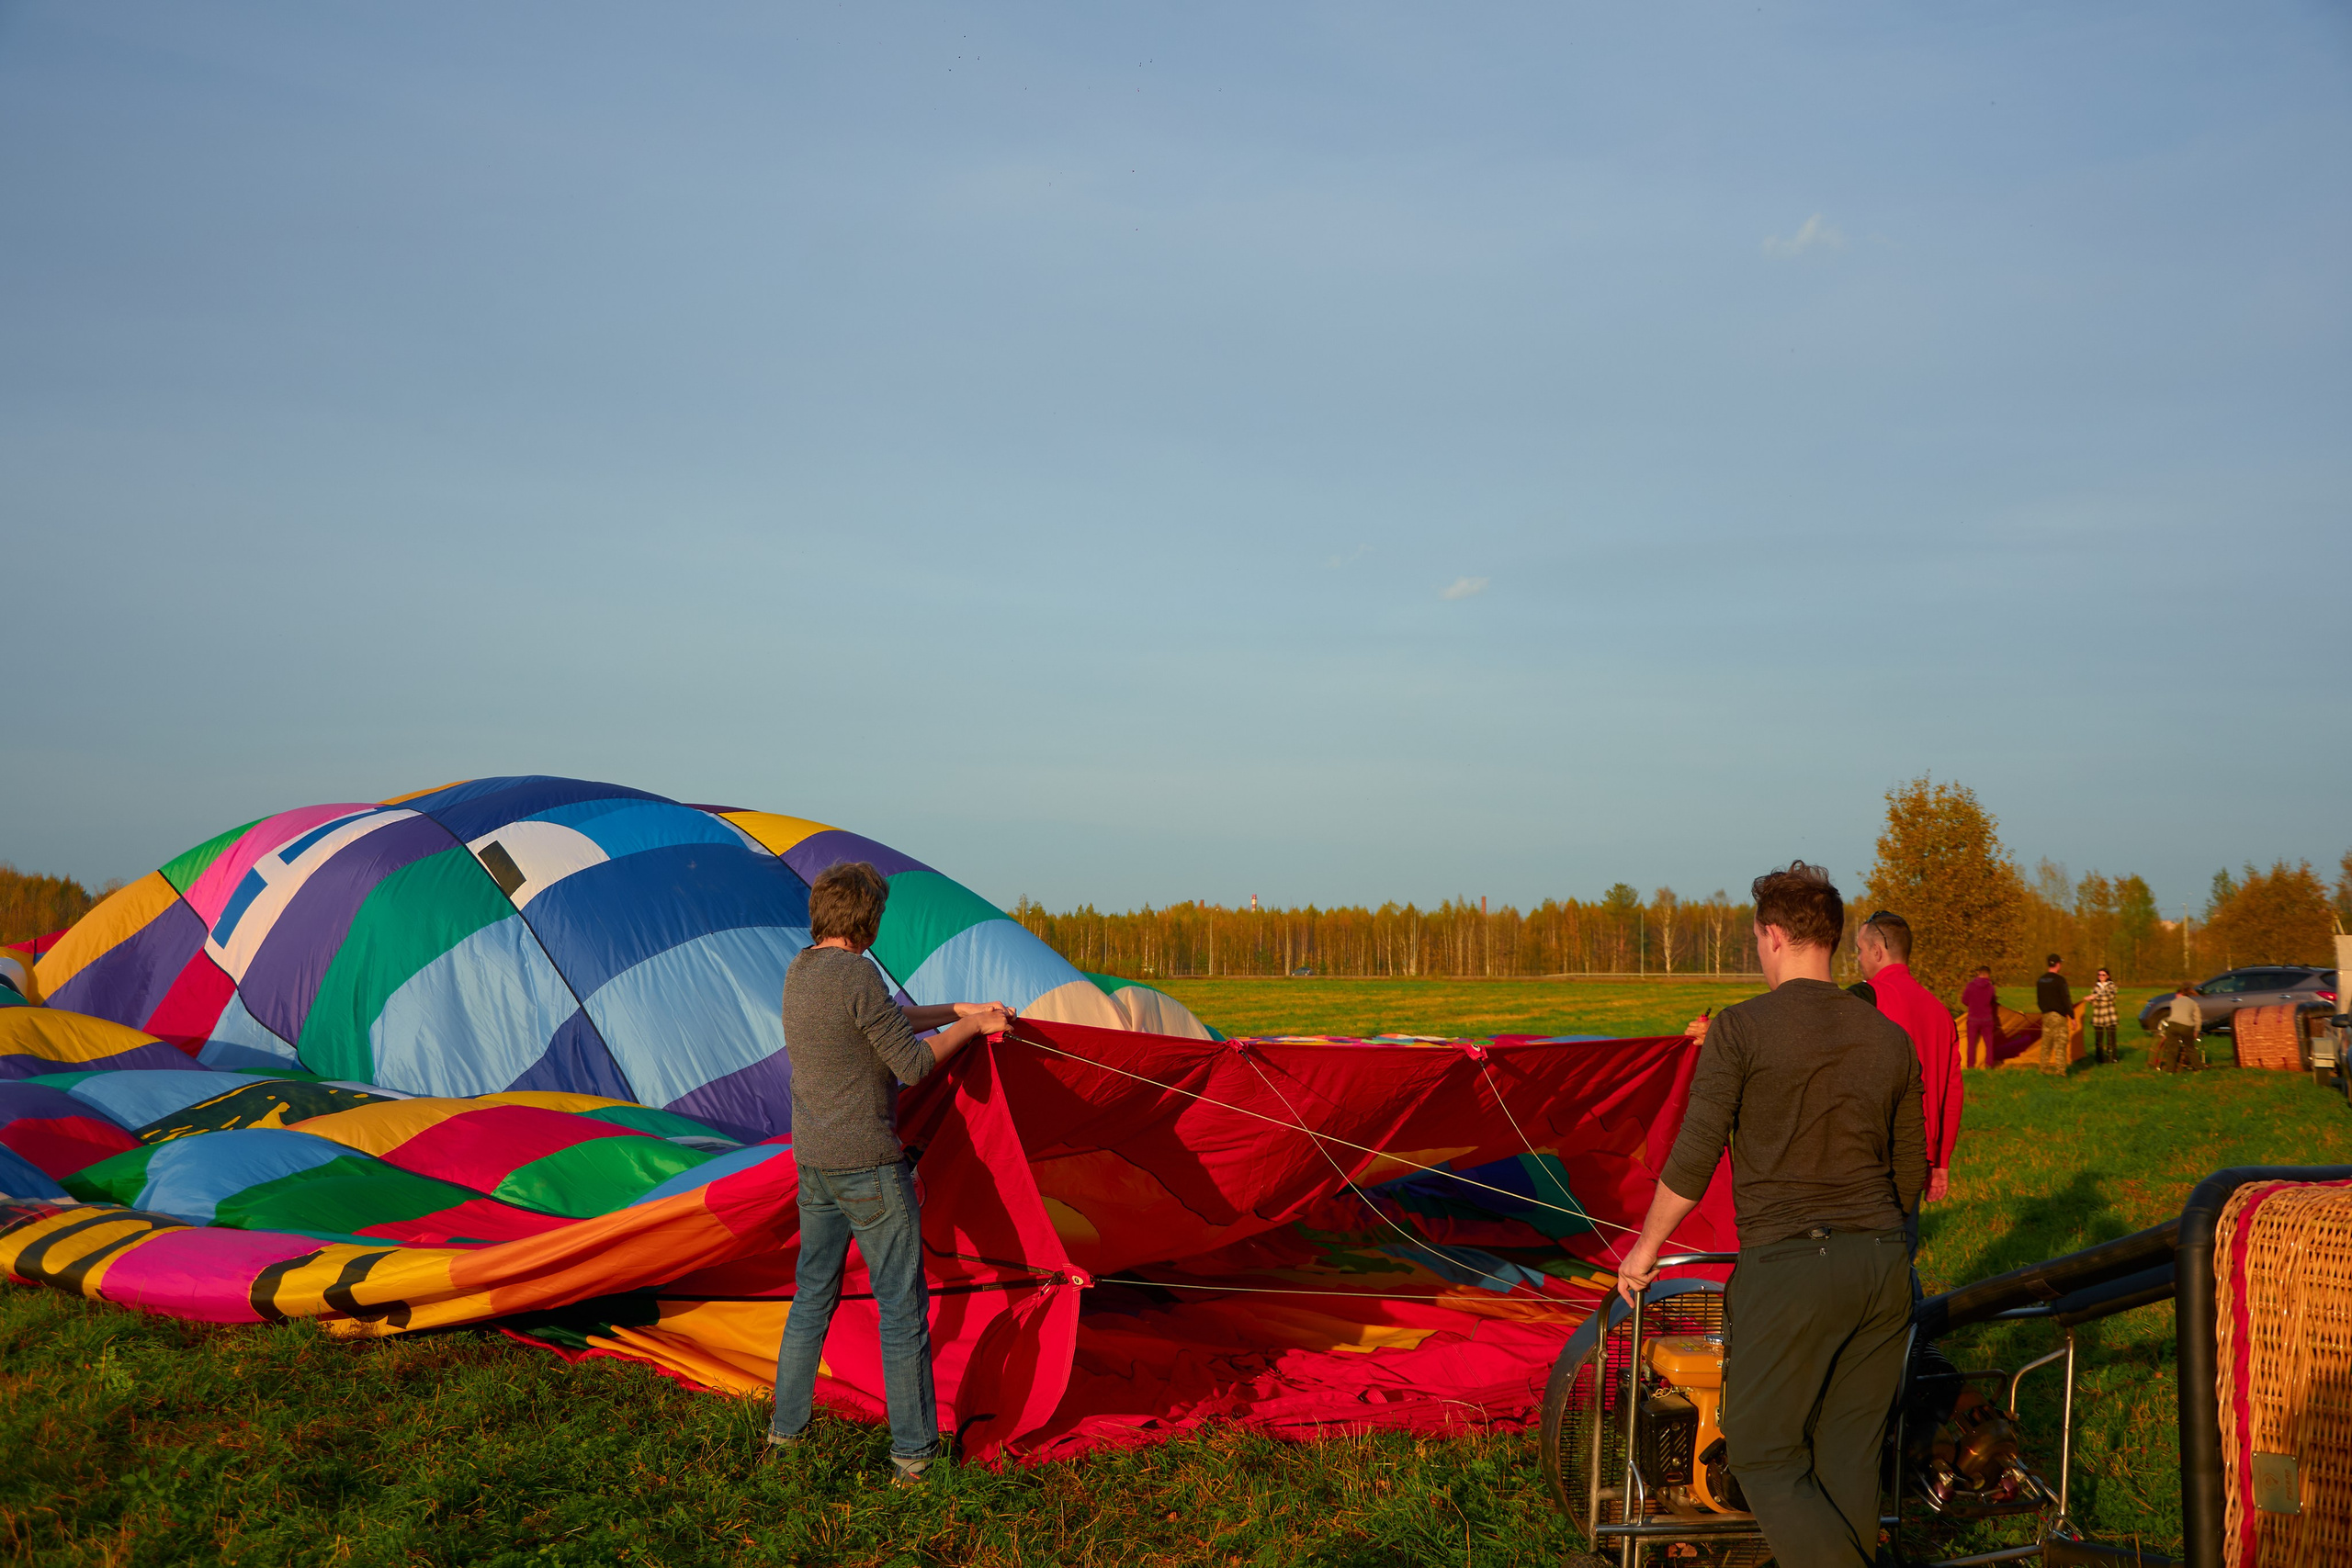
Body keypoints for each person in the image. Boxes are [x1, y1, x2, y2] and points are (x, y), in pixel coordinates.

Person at [1619, 863, 1925, 1568]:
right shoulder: (1889, 1038)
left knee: (1758, 1447)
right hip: (1881, 1263)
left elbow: (1693, 1157)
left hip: (1790, 1263)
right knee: (1848, 1454)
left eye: (1757, 938)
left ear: (1775, 935)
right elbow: (1910, 1172)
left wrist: (1644, 1250)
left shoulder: (1740, 1028)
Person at [769, 862, 1015, 1483]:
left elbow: (880, 1019)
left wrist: (956, 1008)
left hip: (815, 1164)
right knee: (901, 1310)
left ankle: (784, 1437)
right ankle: (913, 1458)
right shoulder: (858, 975)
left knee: (810, 1298)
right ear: (868, 919)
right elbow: (910, 1064)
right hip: (870, 1168)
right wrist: (975, 1025)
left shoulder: (801, 971)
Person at [1855, 911, 1961, 1215]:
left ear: (1877, 951)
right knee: (1903, 1249)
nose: (1860, 959)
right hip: (1918, 1156)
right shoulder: (1941, 1013)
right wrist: (1941, 1162)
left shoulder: (1865, 1000)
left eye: (1861, 950)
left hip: (1871, 1152)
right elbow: (1951, 1095)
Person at [2035, 953, 2073, 1077]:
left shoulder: (2041, 980)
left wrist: (2044, 1010)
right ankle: (2060, 1071)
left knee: (2046, 1043)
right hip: (2058, 1015)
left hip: (2046, 1014)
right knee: (2060, 1043)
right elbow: (2066, 998)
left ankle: (2043, 1069)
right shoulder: (2060, 980)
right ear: (2057, 964)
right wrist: (2072, 1016)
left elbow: (2039, 999)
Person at [2155, 982, 2203, 1074]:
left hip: (2173, 1025)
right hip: (2186, 1026)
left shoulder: (2174, 1002)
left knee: (2172, 1049)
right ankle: (2198, 1068)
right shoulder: (2193, 1003)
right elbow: (2198, 1018)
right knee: (2190, 1047)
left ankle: (2170, 1070)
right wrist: (2197, 1030)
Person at [1961, 965, 1998, 1069]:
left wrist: (1973, 1004)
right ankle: (1989, 1065)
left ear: (1978, 973)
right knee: (1989, 1044)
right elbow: (1993, 1001)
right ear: (1988, 974)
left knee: (1971, 1044)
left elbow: (1964, 1000)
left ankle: (1970, 1065)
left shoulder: (1970, 986)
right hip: (1987, 1019)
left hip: (1973, 1019)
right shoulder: (1991, 988)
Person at [2086, 967, 2120, 1064]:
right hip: (2098, 1016)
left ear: (2108, 976)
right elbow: (2093, 1003)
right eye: (2099, 975)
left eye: (2103, 975)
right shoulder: (2095, 987)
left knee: (2112, 1038)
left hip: (2110, 1016)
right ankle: (2099, 1058)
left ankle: (2113, 1057)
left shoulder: (2112, 986)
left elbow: (2110, 997)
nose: (2101, 977)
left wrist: (2095, 997)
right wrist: (2093, 1000)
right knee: (2099, 1039)